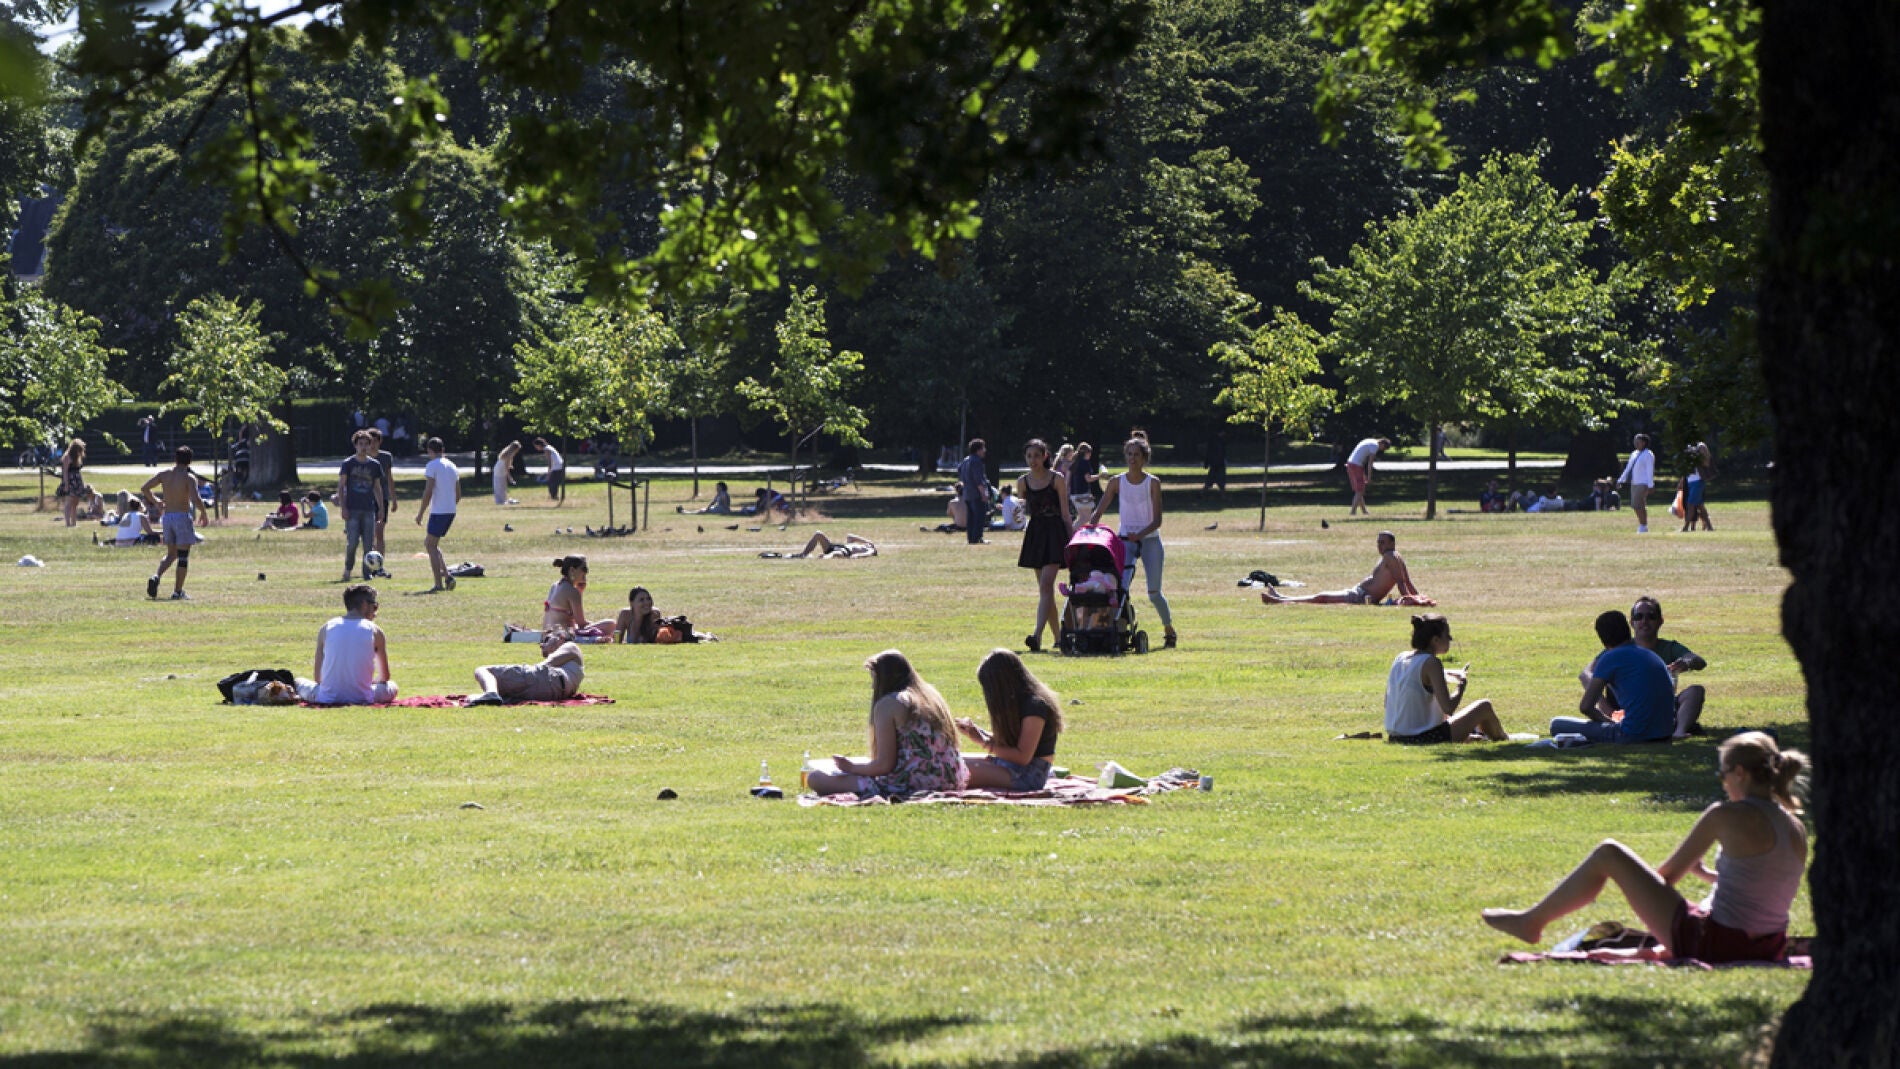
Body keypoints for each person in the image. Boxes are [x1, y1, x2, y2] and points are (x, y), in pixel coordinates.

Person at [1483, 732, 1808, 964]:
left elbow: (1666, 878)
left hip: (1716, 942)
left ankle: (1532, 922)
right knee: (1657, 925)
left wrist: (1649, 887)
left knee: (1609, 854)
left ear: (1739, 773)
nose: (1723, 783)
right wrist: (1708, 875)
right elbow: (1760, 885)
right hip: (1767, 946)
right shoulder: (1795, 827)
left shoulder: (1725, 815)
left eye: (1723, 775)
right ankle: (1535, 921)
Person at [806, 650, 969, 798]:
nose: (872, 686)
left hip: (911, 784)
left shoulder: (888, 704)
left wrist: (851, 767)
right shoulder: (931, 696)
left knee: (815, 778)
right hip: (951, 779)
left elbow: (885, 765)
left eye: (874, 679)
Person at [1088, 436, 1178, 648]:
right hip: (1125, 541)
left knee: (1154, 593)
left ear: (1144, 458)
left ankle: (1169, 629)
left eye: (1136, 454)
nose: (1132, 458)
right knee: (1119, 588)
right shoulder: (1116, 482)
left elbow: (1157, 520)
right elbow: (1098, 511)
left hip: (1149, 540)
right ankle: (1116, 628)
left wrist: (1140, 534)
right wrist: (1091, 526)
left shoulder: (1152, 483)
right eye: (1129, 454)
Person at [1587, 596, 1710, 740]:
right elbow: (1587, 674)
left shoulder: (1669, 648)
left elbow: (1699, 661)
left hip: (1662, 705)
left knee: (1696, 691)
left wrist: (1687, 662)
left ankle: (1679, 731)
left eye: (1651, 616)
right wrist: (1607, 710)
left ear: (1660, 621)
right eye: (1639, 617)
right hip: (1628, 709)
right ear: (1632, 622)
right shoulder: (1617, 650)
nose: (1644, 621)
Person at [1552, 610, 1677, 743]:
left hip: (1633, 734)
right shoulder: (1650, 655)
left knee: (1557, 724)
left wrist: (1607, 722)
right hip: (1665, 733)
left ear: (1603, 639)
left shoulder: (1610, 658)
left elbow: (1586, 707)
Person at [1384, 614, 1508, 743]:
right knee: (1484, 706)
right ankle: (1503, 738)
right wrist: (1461, 685)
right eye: (1447, 635)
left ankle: (1473, 737)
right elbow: (1448, 708)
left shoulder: (1401, 658)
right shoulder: (1432, 662)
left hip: (1395, 737)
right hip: (1422, 738)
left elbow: (1389, 701)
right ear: (1435, 640)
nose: (1450, 638)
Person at [957, 648, 1064, 790]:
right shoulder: (1020, 703)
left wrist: (984, 742)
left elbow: (1023, 757)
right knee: (953, 761)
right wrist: (976, 732)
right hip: (1011, 766)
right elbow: (1013, 744)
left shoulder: (1035, 707)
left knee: (952, 770)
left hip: (1029, 775)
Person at [1260, 531, 1434, 606]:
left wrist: (1412, 600)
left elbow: (1402, 583)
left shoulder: (1391, 557)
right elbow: (1407, 581)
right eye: (1378, 542)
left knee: (1322, 597)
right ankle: (1280, 597)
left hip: (1360, 597)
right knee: (1322, 596)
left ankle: (1279, 600)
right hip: (1358, 592)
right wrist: (1417, 598)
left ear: (1392, 543)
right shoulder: (1395, 556)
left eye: (1383, 542)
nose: (1379, 546)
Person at [1015, 439, 1074, 653]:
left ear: (1045, 456)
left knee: (1046, 585)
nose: (1033, 460)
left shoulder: (1057, 479)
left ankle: (1037, 635)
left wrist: (1073, 540)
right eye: (1029, 456)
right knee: (1045, 590)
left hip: (1055, 533)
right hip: (1036, 535)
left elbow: (1066, 514)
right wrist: (1015, 513)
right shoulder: (1022, 482)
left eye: (1037, 456)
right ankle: (1058, 638)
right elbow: (1021, 512)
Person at [296, 584, 399, 705]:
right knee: (392, 686)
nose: (375, 613)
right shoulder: (375, 631)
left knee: (298, 681)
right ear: (365, 604)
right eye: (375, 606)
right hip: (363, 697)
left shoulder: (326, 627)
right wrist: (370, 682)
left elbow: (318, 678)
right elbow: (384, 676)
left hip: (326, 697)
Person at [139, 446, 209, 600]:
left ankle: (156, 576)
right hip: (182, 517)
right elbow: (195, 498)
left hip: (167, 517)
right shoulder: (189, 478)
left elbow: (145, 488)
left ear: (176, 459)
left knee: (171, 554)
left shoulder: (165, 474)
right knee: (183, 556)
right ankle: (177, 591)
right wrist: (204, 513)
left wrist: (156, 501)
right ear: (190, 461)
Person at [468, 628, 584, 705]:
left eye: (546, 639)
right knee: (501, 690)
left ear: (561, 638)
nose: (541, 644)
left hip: (547, 679)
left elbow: (546, 664)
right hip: (551, 693)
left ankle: (490, 693)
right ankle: (490, 695)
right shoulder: (571, 667)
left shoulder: (571, 646)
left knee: (483, 670)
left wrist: (526, 671)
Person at [336, 431, 386, 583]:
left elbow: (377, 488)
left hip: (368, 509)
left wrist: (381, 508)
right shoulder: (348, 463)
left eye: (366, 444)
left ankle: (367, 572)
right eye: (360, 444)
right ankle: (348, 569)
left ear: (370, 446)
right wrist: (343, 507)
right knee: (352, 543)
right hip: (352, 509)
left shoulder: (374, 465)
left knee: (368, 544)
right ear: (355, 445)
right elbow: (341, 486)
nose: (363, 447)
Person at [415, 436, 461, 592]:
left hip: (439, 511)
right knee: (431, 544)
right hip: (450, 510)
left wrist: (420, 513)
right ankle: (447, 576)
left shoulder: (432, 465)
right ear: (443, 450)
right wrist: (450, 505)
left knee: (430, 545)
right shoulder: (452, 465)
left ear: (429, 450)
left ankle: (438, 584)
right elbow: (458, 493)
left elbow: (428, 491)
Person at [543, 555, 613, 638]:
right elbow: (581, 624)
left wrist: (580, 591)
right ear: (572, 570)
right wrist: (593, 623)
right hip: (564, 635)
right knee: (611, 624)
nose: (586, 572)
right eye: (584, 569)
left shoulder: (555, 585)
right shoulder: (572, 591)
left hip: (548, 633)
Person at [365, 427, 395, 570]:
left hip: (382, 498)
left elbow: (389, 479)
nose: (373, 445)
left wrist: (394, 499)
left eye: (375, 441)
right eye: (370, 442)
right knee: (369, 534)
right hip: (366, 499)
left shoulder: (386, 457)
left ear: (380, 442)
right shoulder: (363, 458)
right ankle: (370, 563)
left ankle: (380, 565)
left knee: (379, 533)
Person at [1614, 433, 1655, 532]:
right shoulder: (1634, 454)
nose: (1636, 443)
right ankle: (1643, 525)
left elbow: (1650, 471)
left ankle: (1642, 525)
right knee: (1639, 505)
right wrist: (1620, 480)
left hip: (1643, 483)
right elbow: (1628, 469)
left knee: (1637, 504)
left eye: (1638, 441)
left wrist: (1651, 485)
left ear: (1644, 442)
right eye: (1635, 441)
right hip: (1634, 483)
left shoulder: (1648, 454)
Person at [958, 438, 991, 545]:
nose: (985, 450)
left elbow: (960, 472)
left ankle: (971, 538)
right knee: (979, 517)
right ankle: (977, 538)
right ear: (978, 449)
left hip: (967, 493)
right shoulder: (976, 461)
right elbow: (978, 479)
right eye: (983, 448)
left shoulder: (965, 460)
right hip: (976, 494)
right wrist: (983, 493)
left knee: (971, 518)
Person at [1345, 436, 1390, 516]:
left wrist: (1363, 473)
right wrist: (1369, 478)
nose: (1382, 450)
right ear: (1382, 444)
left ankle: (1364, 511)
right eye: (1384, 448)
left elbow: (1362, 456)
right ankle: (1353, 512)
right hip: (1356, 465)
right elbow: (1370, 463)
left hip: (1350, 464)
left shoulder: (1370, 440)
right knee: (1360, 490)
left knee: (1359, 490)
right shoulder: (1375, 446)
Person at [1681, 442, 1714, 531]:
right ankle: (1709, 527)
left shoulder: (1700, 447)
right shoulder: (1688, 451)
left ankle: (1685, 527)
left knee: (1690, 504)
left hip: (1697, 482)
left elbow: (1706, 462)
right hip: (1690, 482)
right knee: (1700, 506)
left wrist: (1698, 454)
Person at [779, 531, 877, 559]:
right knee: (818, 534)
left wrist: (858, 555)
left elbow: (869, 553)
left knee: (835, 554)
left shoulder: (869, 549)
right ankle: (803, 554)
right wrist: (866, 540)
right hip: (834, 547)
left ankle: (825, 557)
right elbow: (850, 536)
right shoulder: (857, 544)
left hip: (844, 552)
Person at [57, 438, 86, 527]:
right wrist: (66, 485)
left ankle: (74, 523)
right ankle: (68, 523)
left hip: (77, 481)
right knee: (69, 502)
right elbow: (65, 472)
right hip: (70, 481)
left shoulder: (77, 458)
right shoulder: (67, 457)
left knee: (75, 502)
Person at [1066, 441, 1100, 516]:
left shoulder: (1073, 463)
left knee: (1083, 517)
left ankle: (1072, 525)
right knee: (1086, 517)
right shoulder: (1085, 463)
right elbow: (1088, 479)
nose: (1090, 455)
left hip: (1074, 494)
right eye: (1090, 452)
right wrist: (1100, 476)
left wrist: (1067, 493)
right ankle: (1072, 525)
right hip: (1083, 494)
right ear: (1087, 453)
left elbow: (1067, 480)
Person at [534, 437, 565, 502]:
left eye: (536, 446)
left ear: (539, 445)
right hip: (560, 466)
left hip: (557, 467)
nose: (536, 448)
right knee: (554, 482)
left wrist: (549, 473)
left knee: (551, 482)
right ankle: (554, 496)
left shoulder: (546, 449)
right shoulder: (548, 447)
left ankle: (554, 497)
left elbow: (550, 462)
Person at [493, 440, 522, 506]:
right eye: (517, 449)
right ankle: (500, 501)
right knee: (499, 486)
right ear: (514, 449)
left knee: (502, 486)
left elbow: (507, 463)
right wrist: (510, 478)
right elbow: (506, 467)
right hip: (500, 471)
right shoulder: (509, 455)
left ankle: (503, 500)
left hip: (500, 469)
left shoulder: (507, 453)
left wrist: (510, 466)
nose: (517, 451)